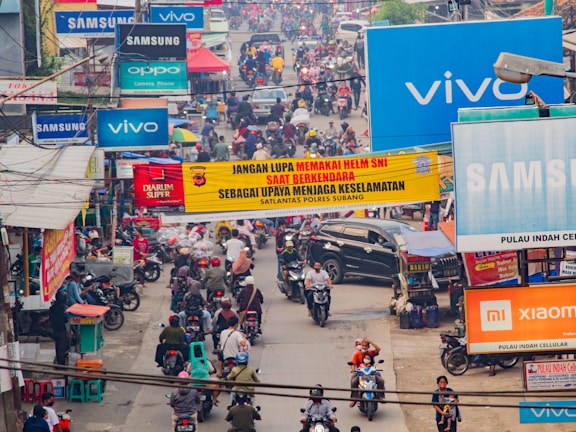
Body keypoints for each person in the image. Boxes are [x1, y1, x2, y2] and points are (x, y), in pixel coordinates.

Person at [349, 338, 384, 406]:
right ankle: (354, 399)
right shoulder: (356, 353)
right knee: (353, 382)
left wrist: (370, 341)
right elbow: (353, 363)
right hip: (361, 373)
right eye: (363, 345)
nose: (364, 347)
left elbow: (378, 349)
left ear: (368, 347)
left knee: (381, 380)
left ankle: (380, 396)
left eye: (366, 346)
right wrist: (353, 369)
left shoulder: (370, 352)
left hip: (371, 372)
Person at [49, 290, 69, 366]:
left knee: (58, 346)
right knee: (62, 347)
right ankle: (61, 364)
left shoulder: (52, 308)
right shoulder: (65, 308)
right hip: (62, 330)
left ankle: (60, 362)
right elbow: (66, 320)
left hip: (55, 329)